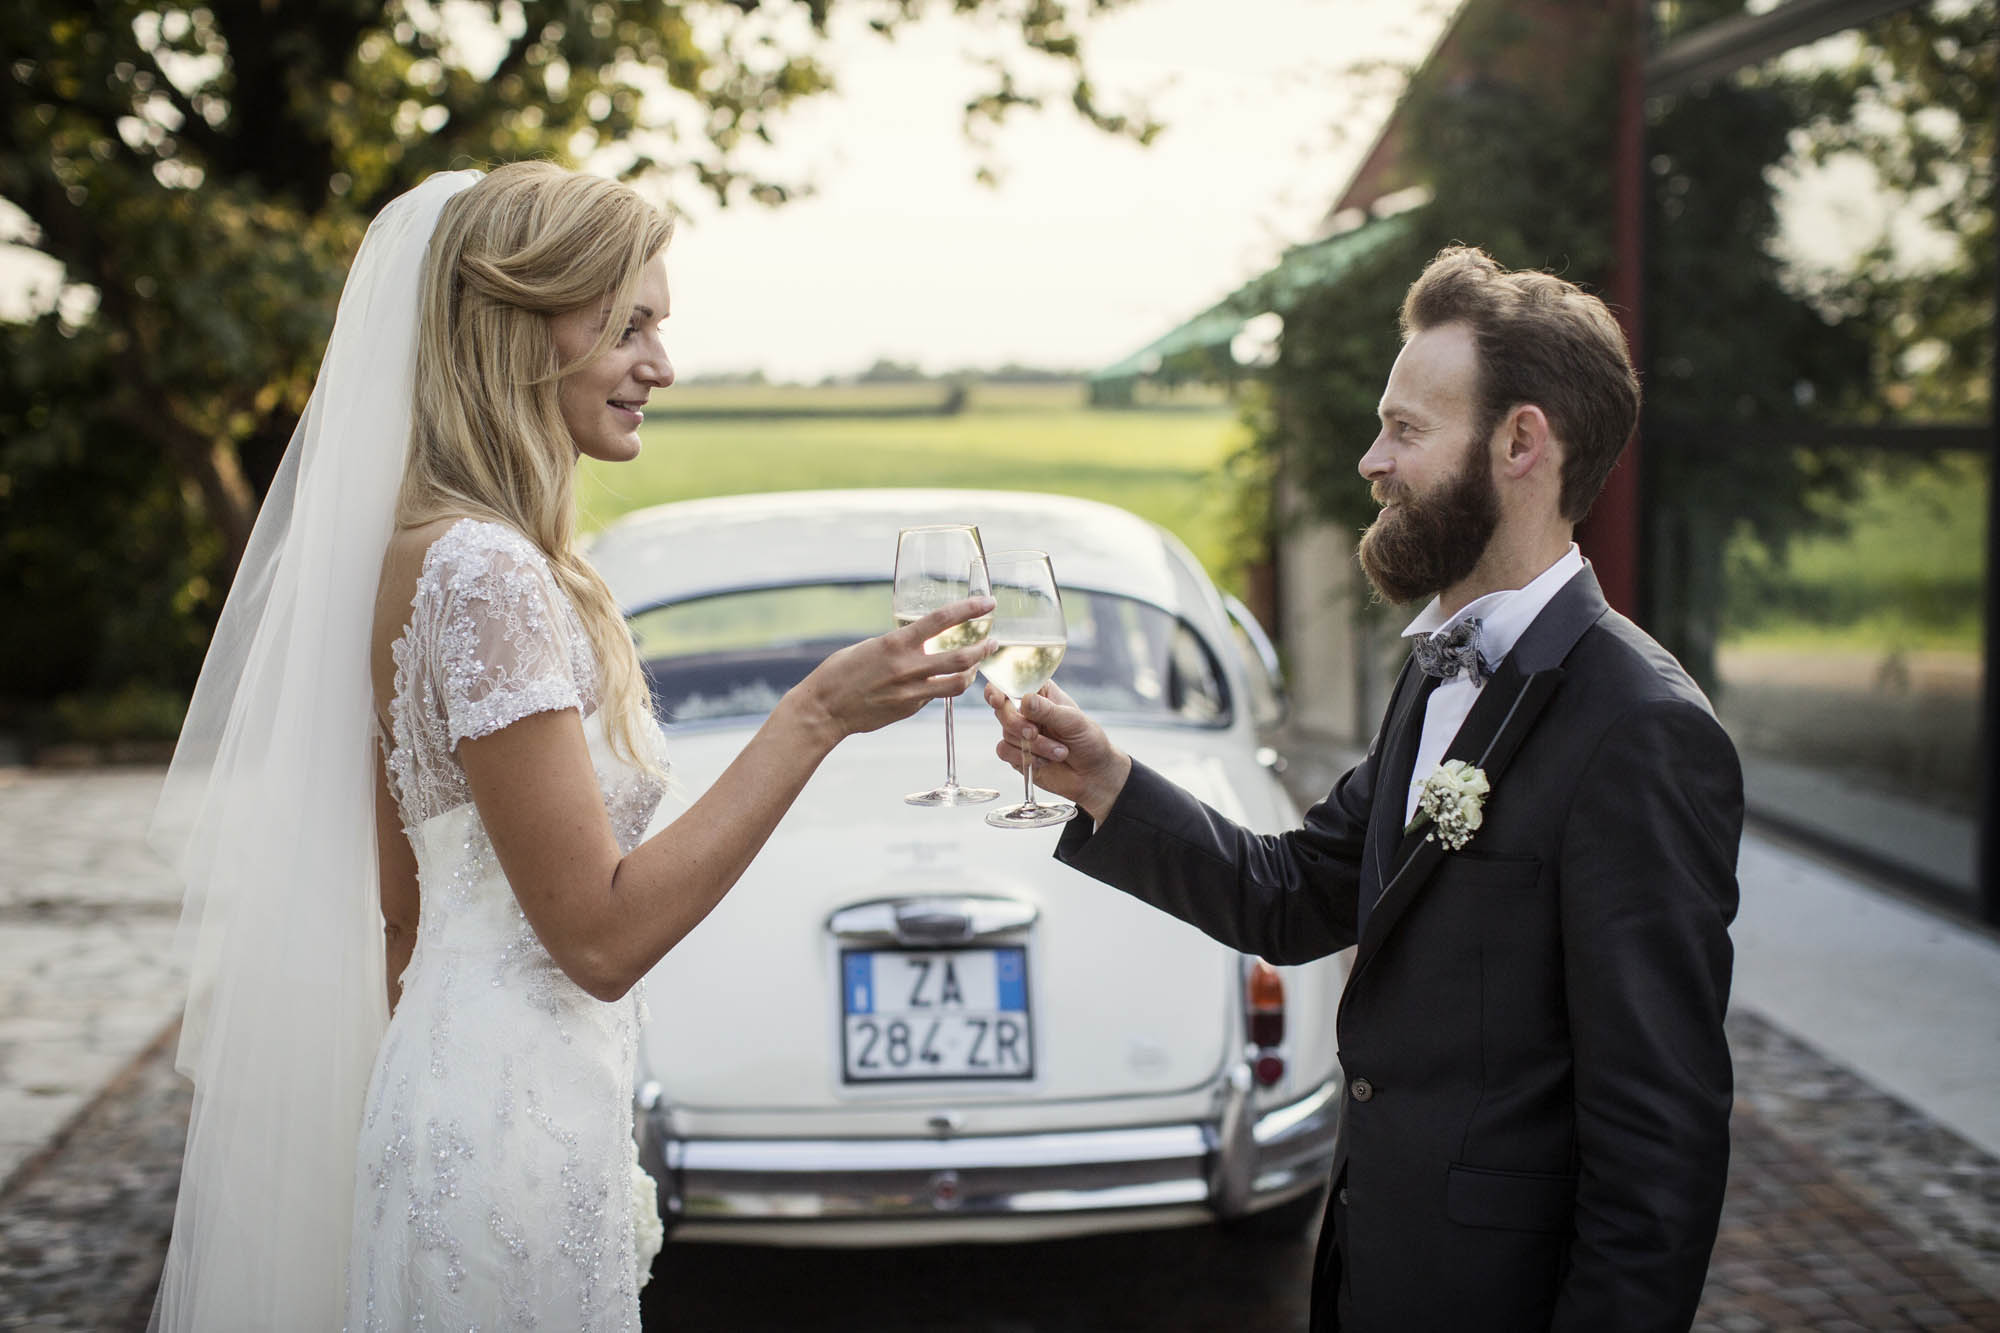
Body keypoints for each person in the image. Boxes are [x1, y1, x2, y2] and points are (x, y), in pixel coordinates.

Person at [147, 162, 993, 1331]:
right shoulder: (487, 570)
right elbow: (598, 937)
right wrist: (816, 715)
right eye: (628, 324)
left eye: (660, 324)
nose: (662, 364)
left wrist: (440, 1108)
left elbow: (405, 910)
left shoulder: (417, 550)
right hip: (509, 1134)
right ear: (515, 333)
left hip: (458, 1103)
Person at [988, 246, 1742, 1332]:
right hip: (1372, 1276)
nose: (1368, 459)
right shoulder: (1438, 665)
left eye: (1405, 429)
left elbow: (1658, 1140)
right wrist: (1106, 781)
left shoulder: (1642, 732)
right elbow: (1294, 895)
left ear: (1519, 441)